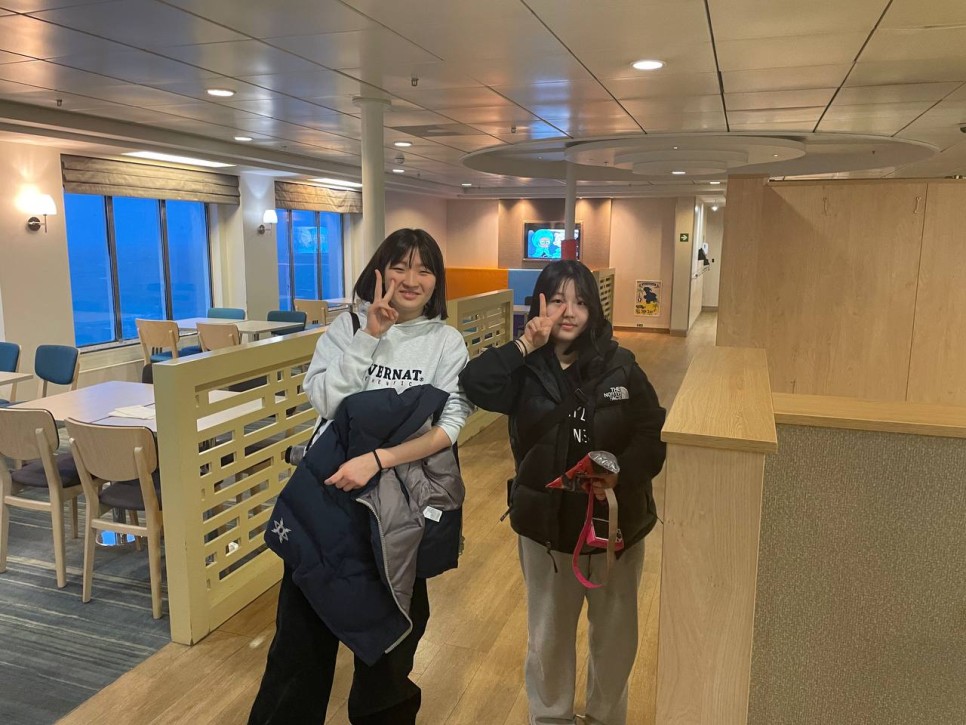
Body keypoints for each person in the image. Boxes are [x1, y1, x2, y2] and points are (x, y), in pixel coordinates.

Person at [248, 228, 472, 725]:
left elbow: (450, 427)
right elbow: (327, 402)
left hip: (400, 514)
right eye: (400, 266)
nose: (411, 279)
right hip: (329, 505)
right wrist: (369, 335)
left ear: (437, 282)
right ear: (378, 272)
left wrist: (379, 459)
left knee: (390, 652)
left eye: (424, 269)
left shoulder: (445, 342)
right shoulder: (346, 327)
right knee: (299, 647)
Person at [459, 260, 666, 725]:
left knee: (615, 640)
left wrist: (619, 472)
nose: (568, 311)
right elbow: (475, 383)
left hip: (615, 529)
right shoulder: (525, 370)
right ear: (539, 306)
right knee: (548, 640)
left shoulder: (621, 367)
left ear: (594, 309)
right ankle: (550, 718)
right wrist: (525, 343)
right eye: (556, 300)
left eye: (580, 301)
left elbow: (653, 433)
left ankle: (604, 717)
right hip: (546, 531)